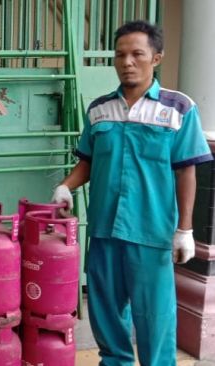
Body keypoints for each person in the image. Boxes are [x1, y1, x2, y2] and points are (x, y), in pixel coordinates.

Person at [52, 20, 212, 365]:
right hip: (104, 231)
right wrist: (66, 186)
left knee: (154, 318)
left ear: (156, 58)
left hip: (151, 233)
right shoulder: (99, 109)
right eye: (120, 54)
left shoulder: (177, 109)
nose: (127, 62)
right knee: (106, 312)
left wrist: (185, 230)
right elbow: (89, 161)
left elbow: (187, 170)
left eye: (137, 54)